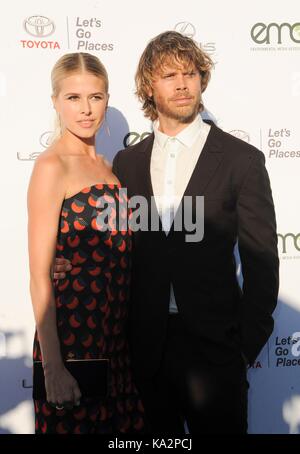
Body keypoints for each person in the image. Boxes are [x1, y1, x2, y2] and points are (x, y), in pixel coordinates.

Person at [54, 32, 279, 434]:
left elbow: (262, 260)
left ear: (201, 80)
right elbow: (115, 244)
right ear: (148, 87)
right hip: (144, 354)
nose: (181, 84)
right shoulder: (127, 163)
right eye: (169, 75)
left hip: (216, 353)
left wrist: (242, 347)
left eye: (190, 73)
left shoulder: (241, 160)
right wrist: (69, 263)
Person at [28, 52, 144, 434]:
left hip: (116, 342)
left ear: (107, 99)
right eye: (73, 98)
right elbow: (40, 276)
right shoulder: (52, 166)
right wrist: (54, 367)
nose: (86, 109)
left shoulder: (110, 167)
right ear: (55, 102)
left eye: (95, 97)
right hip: (73, 340)